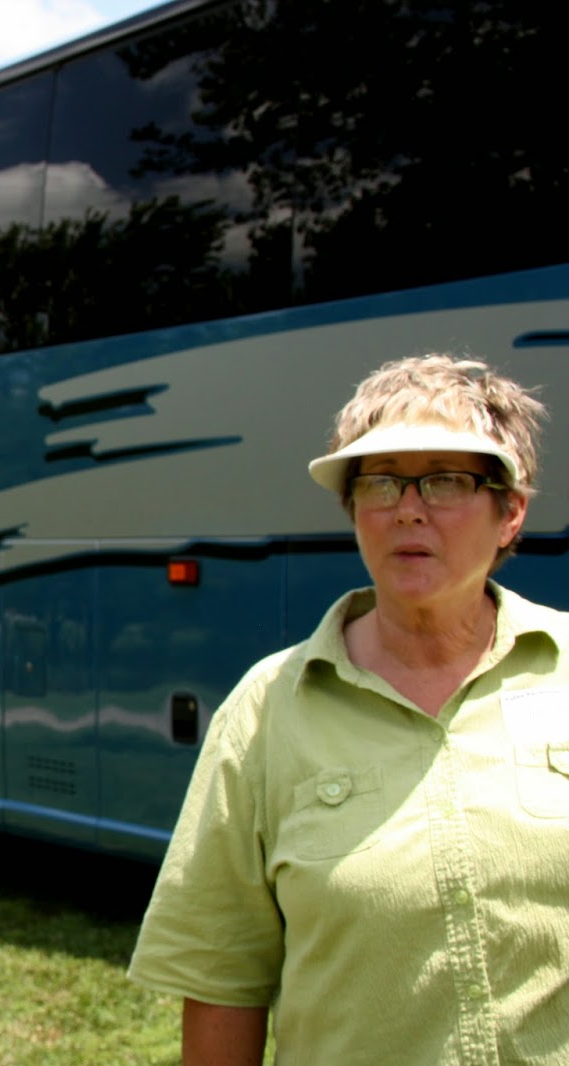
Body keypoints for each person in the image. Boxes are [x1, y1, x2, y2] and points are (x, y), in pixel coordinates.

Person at [128, 353, 569, 1065]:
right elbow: (220, 979)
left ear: (510, 511)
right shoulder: (266, 711)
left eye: (448, 479)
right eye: (382, 481)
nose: (408, 507)